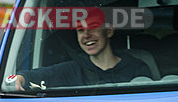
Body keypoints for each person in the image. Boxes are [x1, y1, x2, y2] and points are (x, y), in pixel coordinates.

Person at [11, 21, 154, 91]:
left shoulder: (137, 67)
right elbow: (33, 75)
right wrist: (18, 78)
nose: (86, 35)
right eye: (80, 30)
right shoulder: (71, 69)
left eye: (92, 27)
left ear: (109, 31)